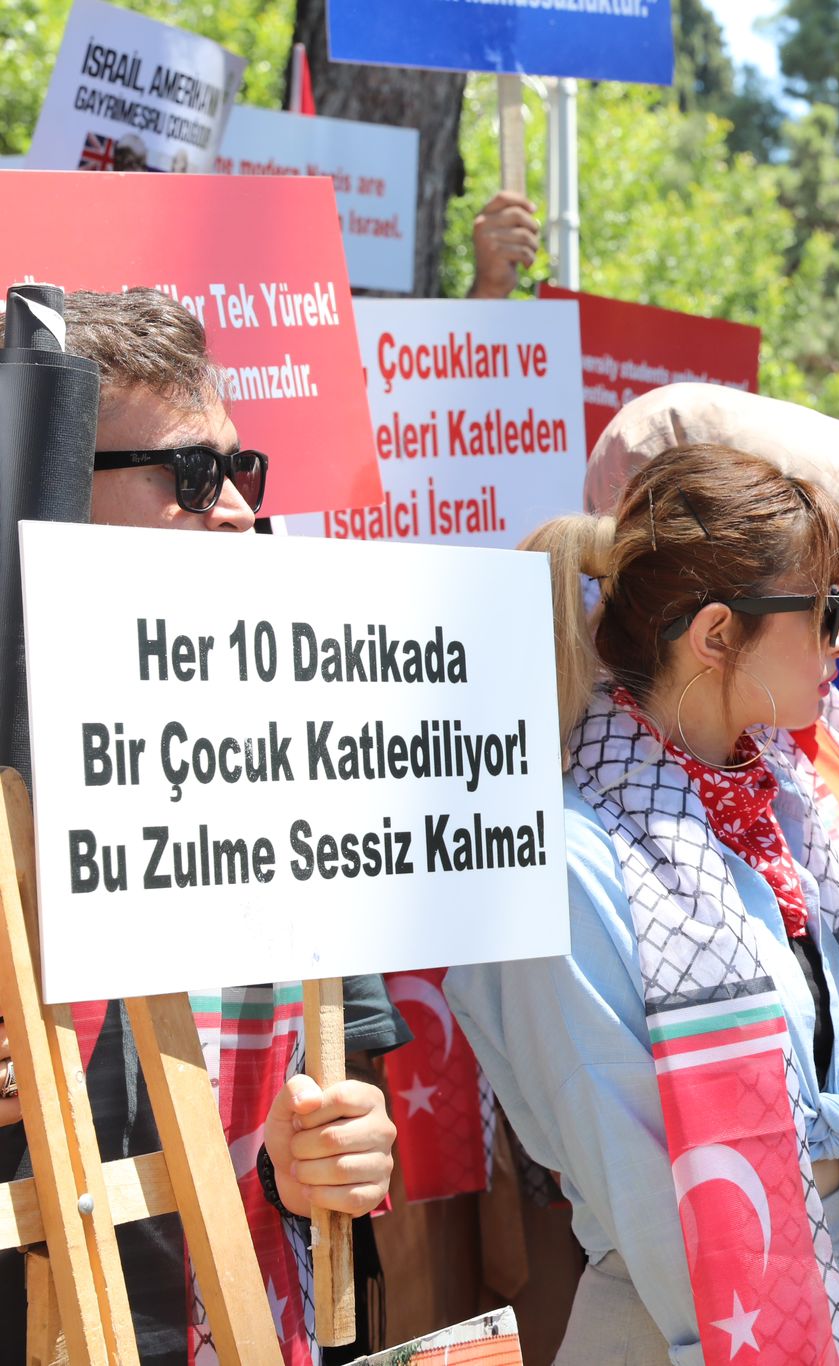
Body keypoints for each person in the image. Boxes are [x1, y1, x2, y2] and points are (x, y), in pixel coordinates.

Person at [450, 443, 839, 1361]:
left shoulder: (795, 812)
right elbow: (651, 1203)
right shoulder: (570, 864)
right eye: (821, 610)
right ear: (716, 635)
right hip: (693, 1333)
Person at [0, 288, 402, 1365]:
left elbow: (334, 1088)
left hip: (240, 1325)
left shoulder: (286, 759)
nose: (233, 507)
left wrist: (331, 1151)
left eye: (241, 469)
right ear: (44, 481)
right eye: (188, 474)